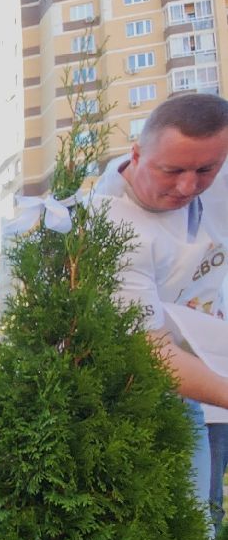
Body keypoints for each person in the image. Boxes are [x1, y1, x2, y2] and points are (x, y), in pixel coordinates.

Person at [89, 93, 228, 517]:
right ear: (136, 153)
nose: (188, 186)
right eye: (171, 171)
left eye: (206, 170)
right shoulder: (111, 226)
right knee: (183, 519)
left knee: (202, 513)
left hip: (210, 356)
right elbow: (149, 353)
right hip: (142, 388)